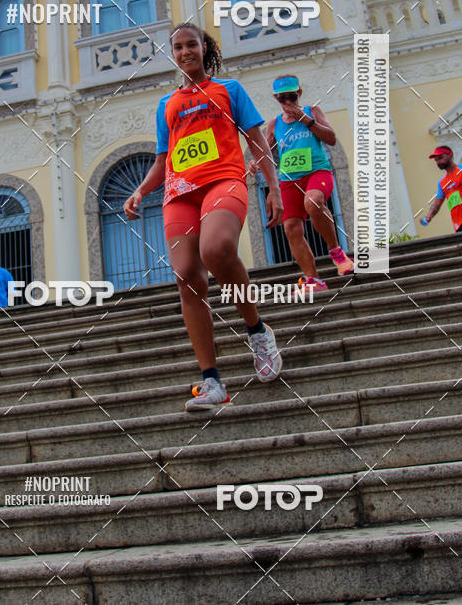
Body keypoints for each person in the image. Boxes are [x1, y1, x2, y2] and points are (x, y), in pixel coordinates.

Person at [123, 22, 283, 411]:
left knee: (217, 249)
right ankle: (212, 382)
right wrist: (142, 190)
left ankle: (258, 332)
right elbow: (164, 159)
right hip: (180, 194)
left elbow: (256, 141)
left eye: (190, 44)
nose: (184, 52)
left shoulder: (229, 90)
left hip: (224, 181)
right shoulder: (166, 105)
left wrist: (273, 187)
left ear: (203, 47)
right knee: (186, 277)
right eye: (176, 47)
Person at [263, 75, 353, 291]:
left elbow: (331, 138)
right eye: (282, 98)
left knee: (312, 202)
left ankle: (337, 253)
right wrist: (255, 164)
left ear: (299, 94)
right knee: (291, 227)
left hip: (317, 171)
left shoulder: (313, 111)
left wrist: (306, 120)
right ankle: (313, 279)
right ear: (276, 99)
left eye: (291, 97)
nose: (288, 102)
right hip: (289, 179)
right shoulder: (275, 123)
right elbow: (265, 153)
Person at [420, 146, 462, 233]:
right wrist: (429, 217)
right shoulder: (442, 182)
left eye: (440, 158)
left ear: (450, 155)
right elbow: (437, 203)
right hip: (458, 225)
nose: (438, 162)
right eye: (436, 160)